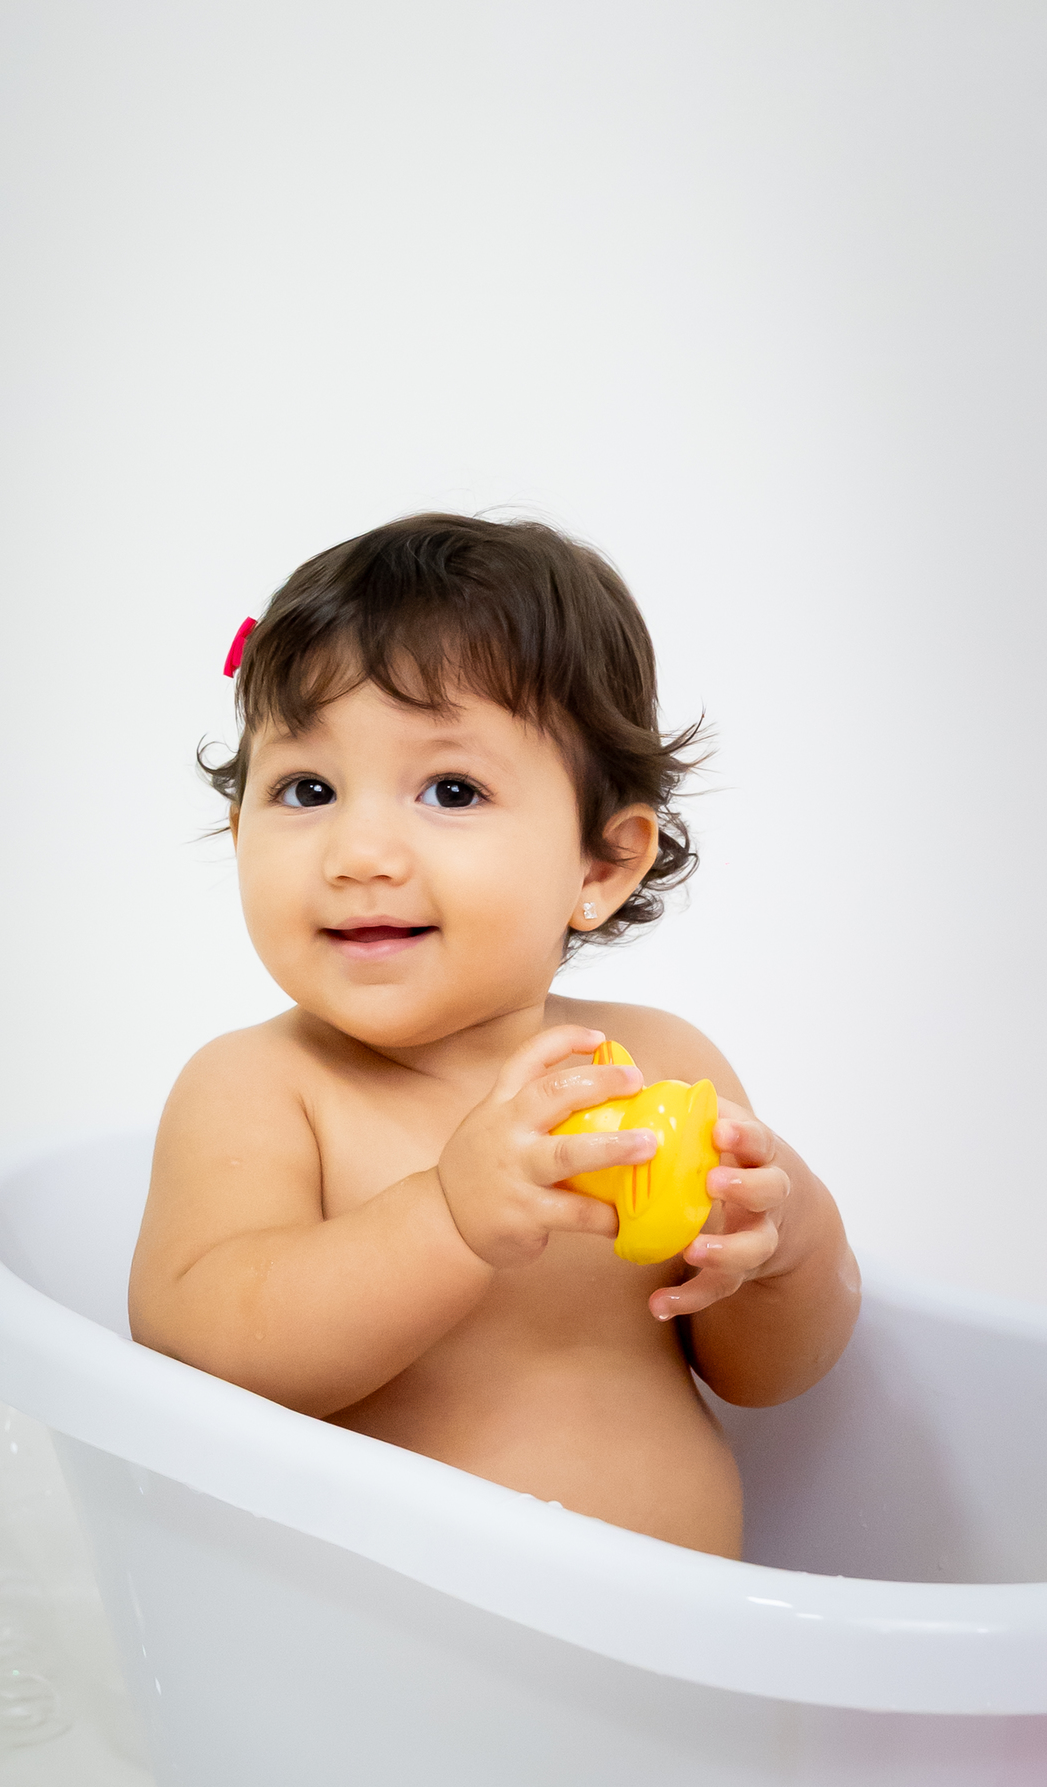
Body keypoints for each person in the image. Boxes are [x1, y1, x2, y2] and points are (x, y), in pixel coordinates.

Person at [129, 513, 860, 1557]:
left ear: (601, 866)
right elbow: (204, 1353)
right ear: (240, 826)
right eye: (307, 789)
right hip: (386, 1638)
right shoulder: (262, 1088)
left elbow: (766, 1379)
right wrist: (445, 1218)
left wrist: (787, 1252)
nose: (360, 852)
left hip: (680, 1642)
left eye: (451, 790)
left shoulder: (657, 1068)